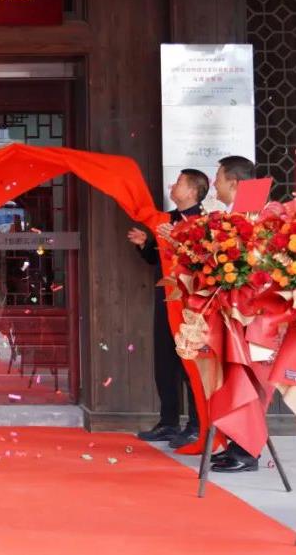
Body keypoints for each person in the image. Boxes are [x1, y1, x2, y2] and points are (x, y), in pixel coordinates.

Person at [127, 168, 209, 448]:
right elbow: (156, 259)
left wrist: (176, 239)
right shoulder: (166, 219)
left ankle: (197, 424)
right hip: (166, 299)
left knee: (191, 364)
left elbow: (202, 262)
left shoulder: (205, 223)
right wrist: (145, 244)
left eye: (179, 183)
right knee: (165, 362)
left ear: (193, 191)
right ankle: (168, 422)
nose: (173, 186)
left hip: (192, 304)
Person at [208, 155, 261, 473]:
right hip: (231, 309)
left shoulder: (255, 214)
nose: (214, 183)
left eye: (218, 177)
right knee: (231, 376)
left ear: (235, 182)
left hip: (249, 313)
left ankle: (247, 449)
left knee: (245, 376)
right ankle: (236, 443)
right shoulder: (235, 214)